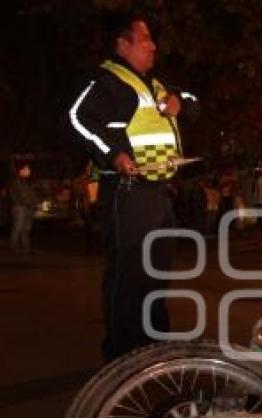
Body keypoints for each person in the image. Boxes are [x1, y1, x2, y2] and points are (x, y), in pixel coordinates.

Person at [68, 12, 197, 361]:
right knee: (128, 274)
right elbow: (78, 117)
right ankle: (121, 354)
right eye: (145, 40)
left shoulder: (153, 83)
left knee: (156, 272)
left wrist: (179, 101)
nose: (154, 46)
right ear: (122, 45)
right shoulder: (105, 80)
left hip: (157, 193)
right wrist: (113, 155)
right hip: (126, 191)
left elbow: (193, 99)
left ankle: (152, 344)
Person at [9, 161, 38, 254]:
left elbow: (33, 195)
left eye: (28, 169)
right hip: (20, 208)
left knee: (26, 229)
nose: (28, 171)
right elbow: (13, 196)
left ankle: (26, 248)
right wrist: (23, 203)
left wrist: (34, 204)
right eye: (25, 169)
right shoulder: (15, 182)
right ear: (20, 171)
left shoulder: (28, 182)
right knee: (18, 227)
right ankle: (14, 247)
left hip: (28, 208)